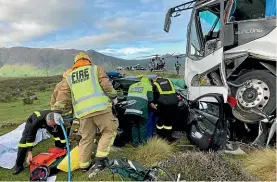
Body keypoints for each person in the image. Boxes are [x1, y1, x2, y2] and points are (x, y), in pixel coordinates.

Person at [52, 52, 118, 176]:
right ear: (88, 60)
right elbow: (106, 85)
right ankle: (100, 160)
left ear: (75, 62)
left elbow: (63, 94)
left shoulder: (70, 76)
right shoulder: (95, 69)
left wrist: (57, 111)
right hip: (101, 109)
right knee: (109, 131)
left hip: (83, 114)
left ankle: (84, 165)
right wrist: (114, 96)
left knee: (86, 138)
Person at [12, 111, 65, 175]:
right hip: (32, 120)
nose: (53, 126)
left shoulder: (56, 117)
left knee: (57, 132)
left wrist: (64, 145)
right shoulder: (35, 122)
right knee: (23, 143)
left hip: (47, 121)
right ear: (47, 121)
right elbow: (30, 136)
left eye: (54, 124)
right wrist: (29, 152)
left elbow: (61, 132)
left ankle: (60, 150)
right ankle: (19, 166)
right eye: (51, 124)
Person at [124, 76, 154, 147]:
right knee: (142, 126)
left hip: (130, 108)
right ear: (148, 81)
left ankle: (135, 144)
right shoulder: (148, 85)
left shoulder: (132, 85)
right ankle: (143, 143)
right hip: (140, 109)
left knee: (134, 126)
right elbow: (150, 98)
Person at [153, 76, 178, 142]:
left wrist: (154, 104)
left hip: (163, 104)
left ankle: (160, 135)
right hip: (173, 102)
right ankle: (168, 137)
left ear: (156, 79)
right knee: (169, 120)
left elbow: (154, 95)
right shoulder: (169, 81)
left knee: (161, 119)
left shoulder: (155, 83)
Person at [50, 68, 73, 136]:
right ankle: (64, 141)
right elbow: (62, 99)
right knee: (65, 125)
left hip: (58, 108)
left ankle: (63, 139)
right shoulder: (66, 84)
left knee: (60, 125)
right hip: (62, 109)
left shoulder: (60, 84)